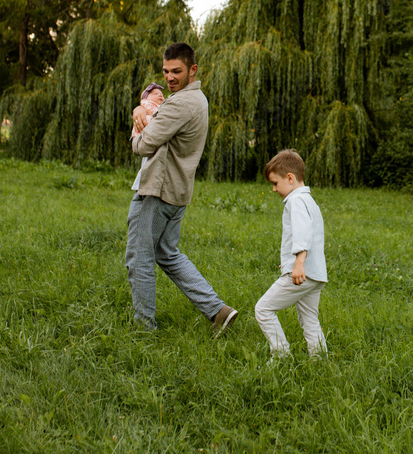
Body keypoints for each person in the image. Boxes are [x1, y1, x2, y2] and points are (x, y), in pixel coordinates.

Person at [126, 42, 238, 336]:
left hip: (158, 191)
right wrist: (142, 110)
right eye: (165, 71)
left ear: (192, 69)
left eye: (176, 71)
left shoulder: (179, 104)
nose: (169, 77)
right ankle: (218, 311)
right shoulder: (198, 99)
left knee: (139, 257)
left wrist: (136, 128)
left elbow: (144, 145)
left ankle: (144, 329)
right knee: (167, 253)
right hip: (177, 191)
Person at [254, 149, 328, 359]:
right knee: (310, 319)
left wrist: (298, 263)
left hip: (302, 273)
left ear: (290, 178)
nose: (274, 189)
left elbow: (302, 233)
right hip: (315, 274)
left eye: (275, 183)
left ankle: (281, 355)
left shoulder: (295, 201)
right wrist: (291, 262)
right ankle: (320, 359)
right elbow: (311, 235)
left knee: (263, 310)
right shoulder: (309, 200)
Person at [130, 83, 164, 192]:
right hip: (147, 135)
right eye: (155, 94)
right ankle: (141, 186)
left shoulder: (162, 106)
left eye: (161, 94)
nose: (160, 95)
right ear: (146, 98)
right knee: (147, 165)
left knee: (147, 165)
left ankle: (141, 186)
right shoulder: (148, 105)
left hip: (150, 137)